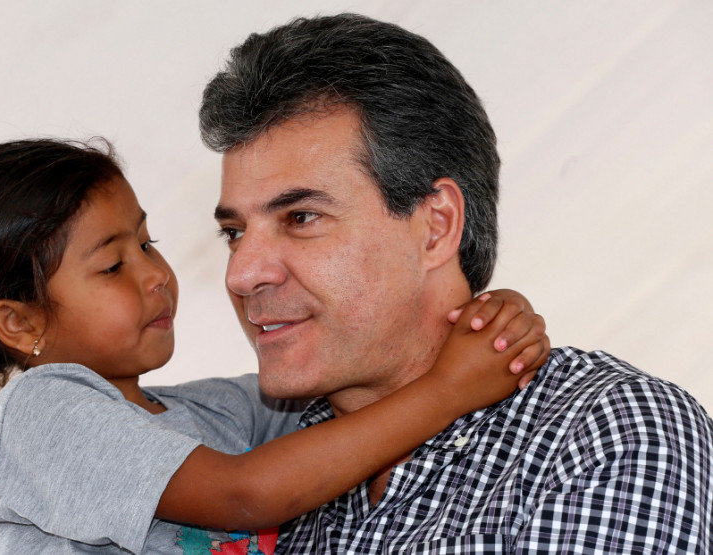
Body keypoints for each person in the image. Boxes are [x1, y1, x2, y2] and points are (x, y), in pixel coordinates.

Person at [200, 13, 713, 553]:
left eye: (300, 217)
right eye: (233, 232)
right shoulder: (250, 448)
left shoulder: (603, 430)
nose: (243, 273)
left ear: (436, 226)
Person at [0, 138, 548, 554]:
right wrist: (451, 389)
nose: (155, 272)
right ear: (19, 323)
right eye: (111, 265)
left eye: (146, 243)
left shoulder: (215, 416)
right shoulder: (39, 413)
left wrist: (475, 325)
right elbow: (247, 496)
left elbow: (340, 376)